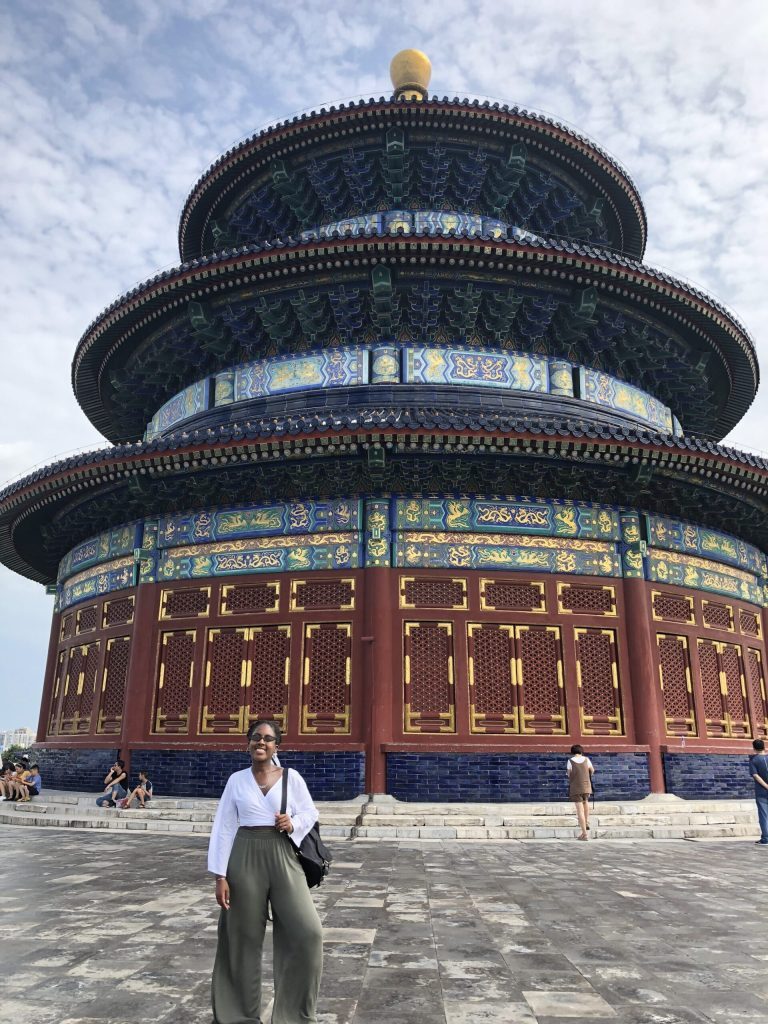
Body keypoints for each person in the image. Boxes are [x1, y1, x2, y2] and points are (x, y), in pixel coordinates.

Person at [208, 718, 323, 1024]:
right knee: (240, 936)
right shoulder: (236, 780)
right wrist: (220, 875)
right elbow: (224, 827)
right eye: (256, 737)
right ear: (248, 743)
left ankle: (293, 1015)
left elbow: (310, 812)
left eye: (268, 739)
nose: (261, 742)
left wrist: (293, 823)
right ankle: (237, 1015)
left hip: (283, 853)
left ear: (276, 746)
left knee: (308, 932)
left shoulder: (291, 777)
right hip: (244, 855)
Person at [567, 744, 595, 840]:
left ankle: (584, 834)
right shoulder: (587, 759)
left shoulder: (570, 761)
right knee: (586, 804)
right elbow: (592, 770)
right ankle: (586, 822)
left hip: (576, 787)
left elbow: (568, 774)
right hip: (586, 786)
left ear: (572, 752)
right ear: (581, 751)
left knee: (580, 811)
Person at [749, 738, 768, 845]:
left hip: (762, 791)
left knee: (764, 815)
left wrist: (766, 786)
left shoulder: (754, 760)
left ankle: (765, 838)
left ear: (754, 748)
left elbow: (755, 775)